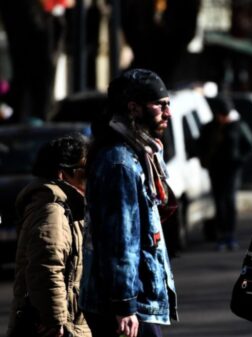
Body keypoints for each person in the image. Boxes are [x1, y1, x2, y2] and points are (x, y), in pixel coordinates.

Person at [78, 68, 178, 337]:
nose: (168, 113)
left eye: (168, 105)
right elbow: (120, 240)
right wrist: (124, 304)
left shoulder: (139, 155)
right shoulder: (119, 163)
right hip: (123, 306)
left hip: (132, 301)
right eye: (160, 105)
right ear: (133, 108)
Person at [7, 134, 91, 337]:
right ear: (63, 174)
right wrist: (55, 321)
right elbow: (46, 267)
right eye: (85, 171)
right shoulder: (52, 210)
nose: (92, 177)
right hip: (60, 329)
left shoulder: (69, 207)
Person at [199, 96, 252, 251]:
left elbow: (249, 145)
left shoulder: (237, 126)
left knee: (229, 201)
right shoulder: (210, 127)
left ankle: (230, 234)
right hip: (215, 169)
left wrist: (239, 160)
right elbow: (202, 145)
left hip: (232, 170)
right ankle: (221, 234)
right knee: (219, 202)